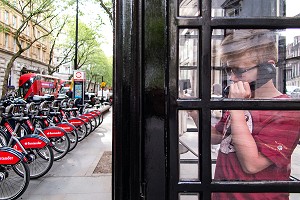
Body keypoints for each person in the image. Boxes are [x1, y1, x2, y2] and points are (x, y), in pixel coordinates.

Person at [191, 29, 300, 200]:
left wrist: (236, 107)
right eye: (229, 70)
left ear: (268, 68)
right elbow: (218, 136)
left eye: (239, 70)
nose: (233, 78)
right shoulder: (240, 101)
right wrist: (193, 111)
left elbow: (251, 164)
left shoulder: (286, 111)